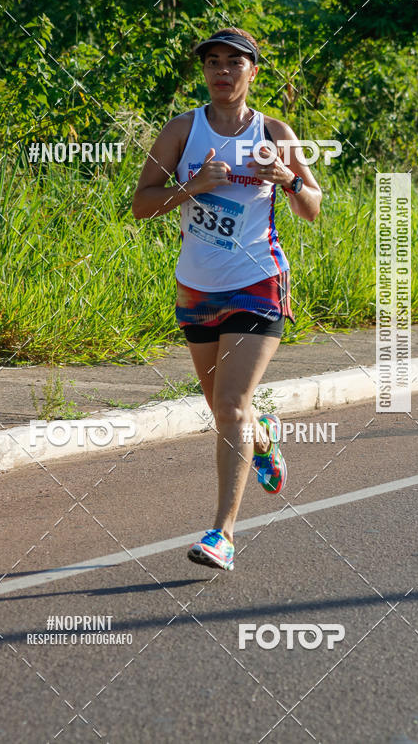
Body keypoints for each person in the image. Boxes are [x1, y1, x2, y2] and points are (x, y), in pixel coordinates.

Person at [131, 28, 322, 571]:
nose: (222, 70)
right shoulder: (182, 130)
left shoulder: (274, 132)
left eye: (234, 62)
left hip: (258, 281)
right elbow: (141, 204)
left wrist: (287, 178)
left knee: (233, 404)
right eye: (212, 61)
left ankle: (223, 534)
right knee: (225, 410)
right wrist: (192, 187)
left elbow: (312, 206)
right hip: (196, 285)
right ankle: (263, 439)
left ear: (253, 72)